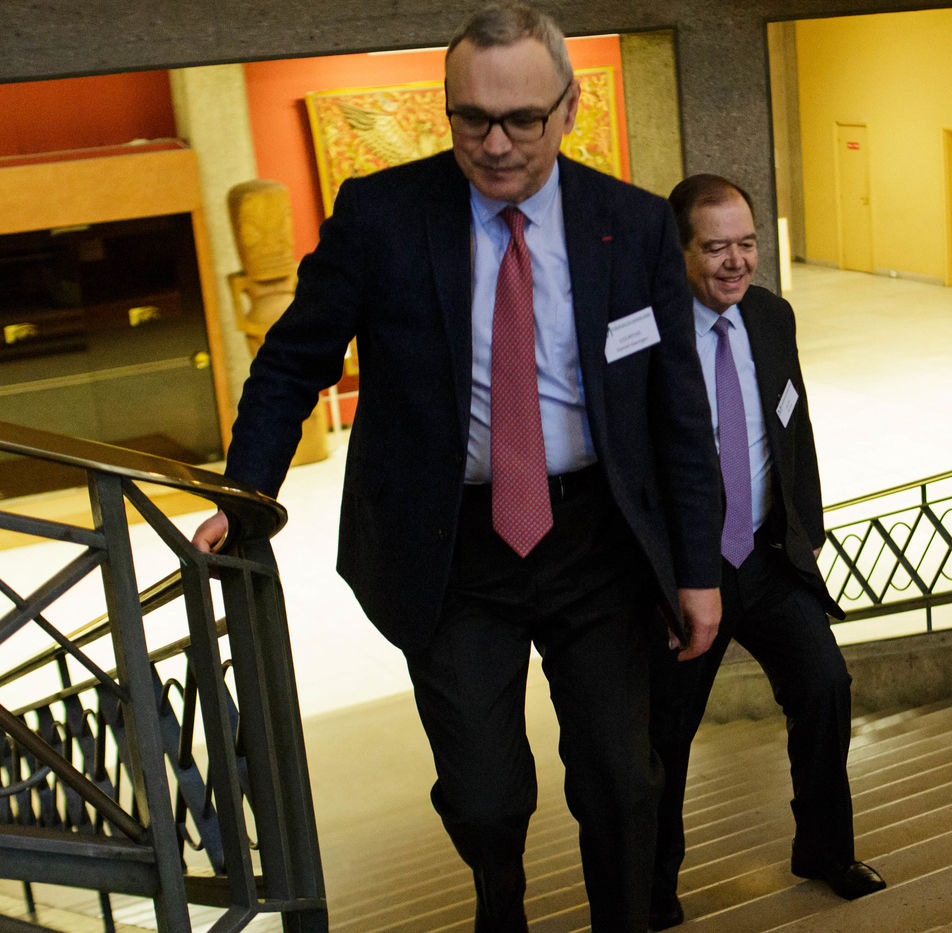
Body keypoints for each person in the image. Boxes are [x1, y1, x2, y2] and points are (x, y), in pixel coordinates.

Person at [192, 6, 723, 931]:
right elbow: (290, 363)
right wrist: (246, 497)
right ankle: (498, 901)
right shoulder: (381, 217)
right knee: (483, 796)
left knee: (622, 778)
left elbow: (678, 411)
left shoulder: (631, 225)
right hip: (451, 548)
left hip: (596, 540)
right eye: (472, 118)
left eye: (522, 119)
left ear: (569, 110)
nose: (496, 144)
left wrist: (698, 569)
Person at [648, 174, 885, 929]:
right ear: (681, 250)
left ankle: (824, 849)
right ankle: (653, 886)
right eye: (716, 247)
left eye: (747, 243)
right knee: (665, 733)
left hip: (766, 557)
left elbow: (793, 427)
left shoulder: (771, 316)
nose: (736, 262)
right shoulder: (647, 332)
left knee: (825, 687)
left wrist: (805, 531)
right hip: (688, 574)